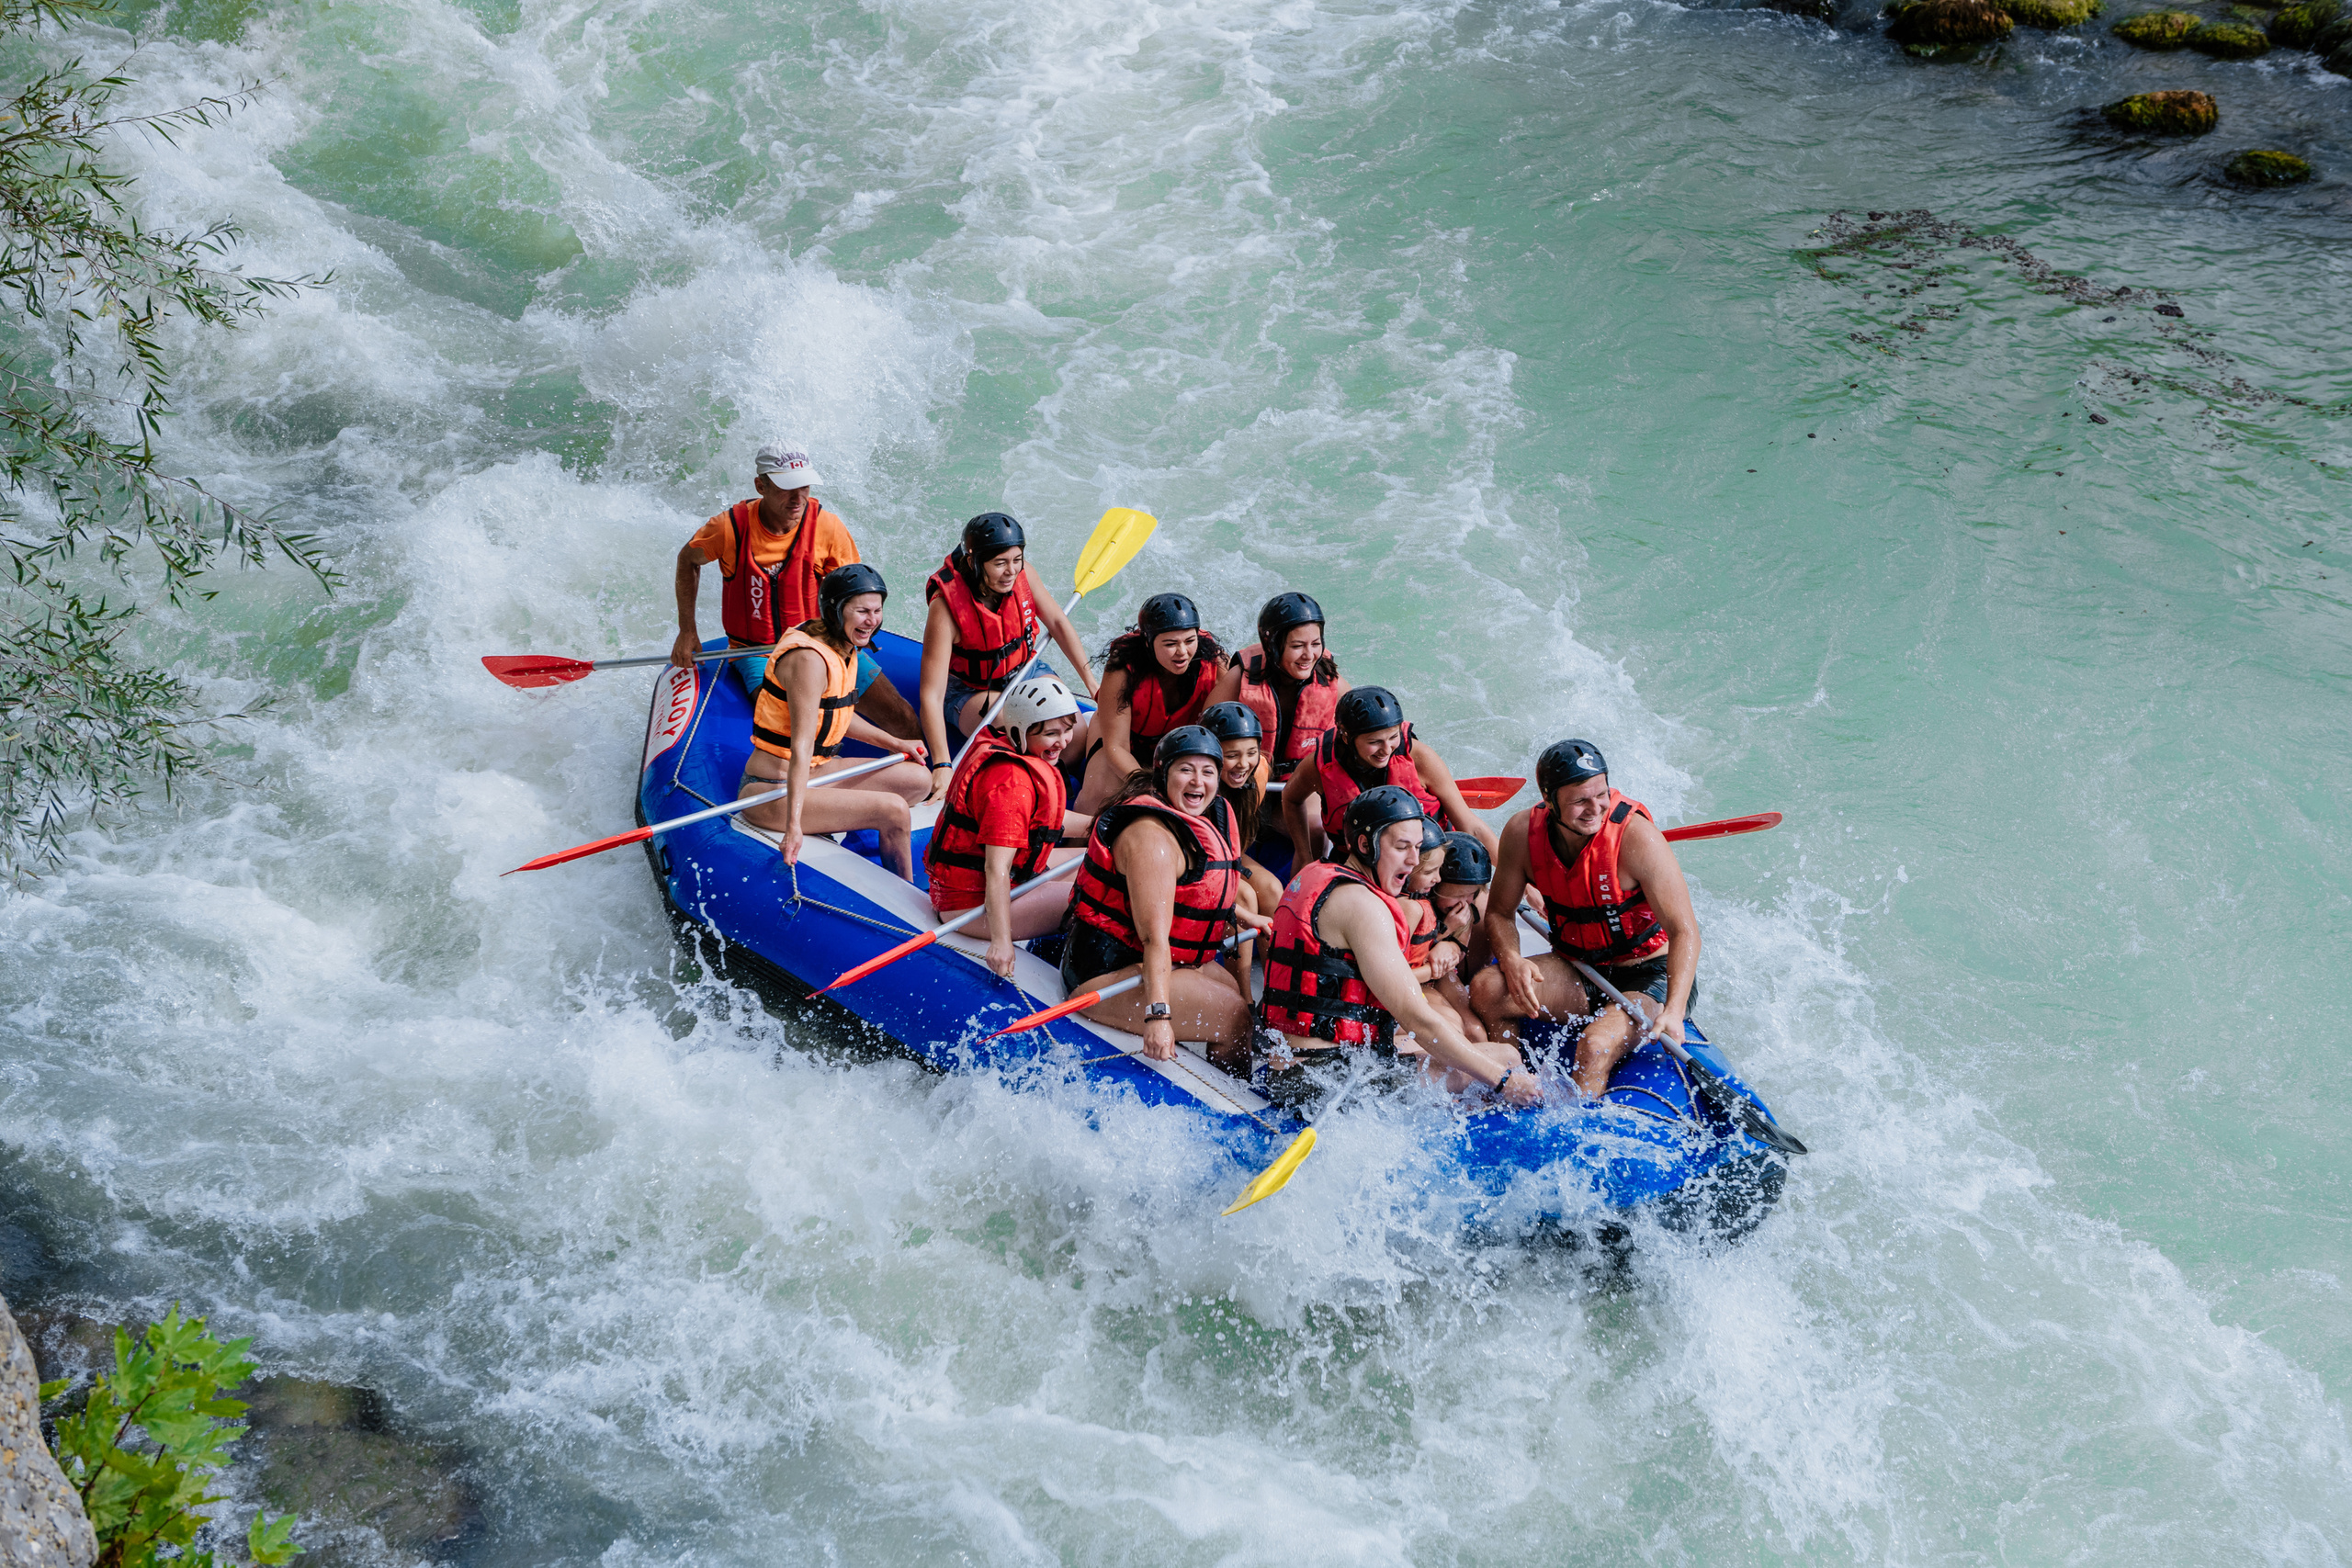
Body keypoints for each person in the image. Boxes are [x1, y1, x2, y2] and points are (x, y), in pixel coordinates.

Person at [1257, 786, 1539, 1111]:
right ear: (1365, 845)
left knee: (1450, 1050)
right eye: (1402, 847)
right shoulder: (1363, 906)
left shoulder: (1314, 877)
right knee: (1506, 1058)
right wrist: (1503, 1080)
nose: (1414, 860)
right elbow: (1417, 1018)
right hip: (1322, 1082)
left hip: (1292, 1067)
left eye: (1418, 848)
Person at [1470, 740, 1702, 1101]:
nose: (1596, 809)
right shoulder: (1521, 834)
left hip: (1647, 974)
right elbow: (1499, 912)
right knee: (1488, 988)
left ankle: (1580, 1130)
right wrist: (1512, 959)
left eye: (1602, 794)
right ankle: (1514, 1085)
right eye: (1580, 801)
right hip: (1578, 965)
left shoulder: (1637, 839)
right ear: (1549, 801)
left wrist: (1673, 1010)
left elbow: (1685, 931)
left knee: (1594, 1046)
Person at [1063, 727, 1271, 1074]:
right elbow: (1153, 936)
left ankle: (1222, 1073)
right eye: (1185, 770)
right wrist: (1158, 1017)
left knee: (1231, 987)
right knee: (1234, 1015)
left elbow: (1179, 894)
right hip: (1104, 972)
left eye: (1207, 772)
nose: (1198, 782)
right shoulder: (1151, 838)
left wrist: (1244, 916)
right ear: (1163, 774)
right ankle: (1234, 1099)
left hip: (1148, 960)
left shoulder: (1196, 819)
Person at [671, 444, 913, 734]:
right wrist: (687, 630)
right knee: (795, 728)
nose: (798, 497)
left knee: (903, 716)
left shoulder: (827, 527)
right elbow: (688, 560)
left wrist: (849, 642)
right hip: (759, 653)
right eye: (787, 487)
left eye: (804, 485)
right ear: (761, 485)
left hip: (824, 642)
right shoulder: (728, 528)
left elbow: (854, 595)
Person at [741, 564, 933, 881]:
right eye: (861, 611)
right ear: (836, 611)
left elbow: (834, 715)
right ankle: (907, 894)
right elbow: (802, 745)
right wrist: (794, 828)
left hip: (817, 773)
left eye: (877, 610)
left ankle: (838, 818)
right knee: (894, 810)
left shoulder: (844, 648)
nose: (871, 620)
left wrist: (895, 743)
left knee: (918, 780)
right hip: (771, 789)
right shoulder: (809, 660)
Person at [924, 674, 1095, 978]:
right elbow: (996, 869)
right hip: (970, 905)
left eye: (1067, 731)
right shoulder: (1010, 784)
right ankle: (1078, 973)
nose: (1063, 742)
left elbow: (1045, 821)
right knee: (1093, 895)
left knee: (1097, 868)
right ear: (1020, 731)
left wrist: (1105, 827)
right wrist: (1001, 943)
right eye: (1051, 734)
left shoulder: (1014, 750)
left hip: (1011, 879)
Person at [919, 512, 1097, 801]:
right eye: (999, 563)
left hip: (1026, 667)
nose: (1011, 571)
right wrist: (942, 763)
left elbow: (1058, 623)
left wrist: (1091, 683)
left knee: (1074, 736)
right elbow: (931, 694)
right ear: (973, 563)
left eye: (1016, 560)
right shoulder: (946, 609)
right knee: (1024, 737)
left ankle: (1060, 782)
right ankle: (1036, 793)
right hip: (972, 689)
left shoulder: (1024, 574)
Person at [1282, 686, 1498, 866]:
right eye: (1374, 742)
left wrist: (1524, 887)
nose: (1387, 749)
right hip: (1361, 867)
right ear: (1347, 738)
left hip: (1428, 864)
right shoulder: (1321, 765)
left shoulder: (1420, 758)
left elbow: (1471, 826)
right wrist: (1303, 854)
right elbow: (1291, 798)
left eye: (1393, 737)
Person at [1074, 592, 1224, 814]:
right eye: (1170, 644)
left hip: (1176, 747)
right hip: (1122, 740)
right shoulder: (1123, 666)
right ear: (1148, 642)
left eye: (1190, 641)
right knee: (1098, 799)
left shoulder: (1214, 661)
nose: (1183, 652)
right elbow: (1117, 747)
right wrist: (1153, 789)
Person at [1205, 592, 1350, 783]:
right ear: (1271, 646)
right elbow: (1203, 733)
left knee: (1310, 813)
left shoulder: (1330, 680)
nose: (1309, 655)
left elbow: (1364, 733)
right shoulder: (1242, 677)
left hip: (1302, 778)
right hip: (1246, 776)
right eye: (1297, 646)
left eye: (1316, 644)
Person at [1199, 700, 1284, 918]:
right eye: (1232, 755)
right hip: (1194, 861)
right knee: (1245, 897)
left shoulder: (1258, 772)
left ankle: (1272, 953)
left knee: (1273, 890)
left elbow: (1240, 840)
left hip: (1229, 853)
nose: (1244, 764)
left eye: (1251, 753)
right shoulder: (1194, 783)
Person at [1415, 830, 1493, 1043]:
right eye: (1458, 895)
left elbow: (1459, 947)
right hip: (1418, 975)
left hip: (1440, 974)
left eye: (1472, 894)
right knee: (1452, 1031)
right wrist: (1443, 934)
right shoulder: (1413, 908)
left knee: (1475, 1030)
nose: (1465, 902)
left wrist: (1452, 948)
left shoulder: (1464, 907)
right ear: (1434, 885)